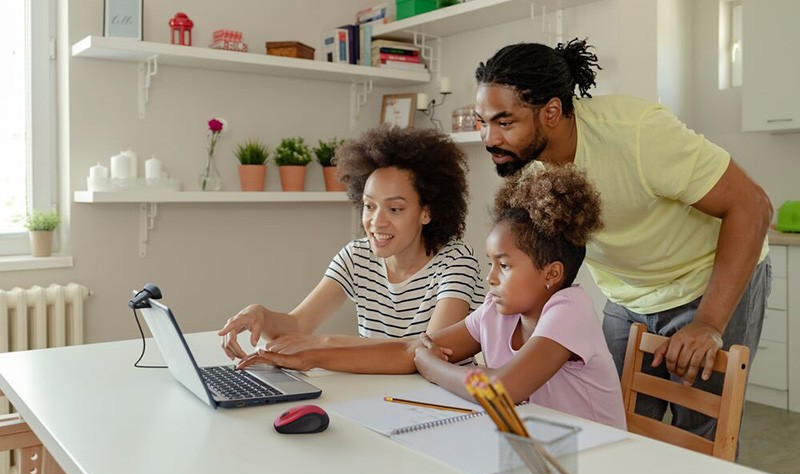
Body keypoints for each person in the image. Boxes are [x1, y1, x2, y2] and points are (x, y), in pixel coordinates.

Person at [473, 39, 772, 439]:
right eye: (483, 122)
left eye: (504, 122)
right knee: (611, 429)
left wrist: (708, 324)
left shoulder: (635, 133)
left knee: (700, 437)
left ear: (551, 112)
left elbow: (752, 207)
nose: (489, 138)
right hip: (627, 296)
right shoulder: (525, 166)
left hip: (706, 280)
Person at [239, 163, 627, 430]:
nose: (490, 278)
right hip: (538, 449)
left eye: (504, 266)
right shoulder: (496, 311)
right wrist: (309, 356)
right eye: (492, 263)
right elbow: (409, 349)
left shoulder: (569, 310)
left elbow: (502, 391)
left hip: (598, 462)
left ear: (552, 274)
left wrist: (430, 364)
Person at [218, 126, 485, 365]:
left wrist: (322, 346)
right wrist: (262, 316)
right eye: (369, 206)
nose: (376, 222)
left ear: (427, 212)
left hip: (440, 406)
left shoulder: (456, 263)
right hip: (373, 397)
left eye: (394, 209)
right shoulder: (357, 256)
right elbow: (298, 325)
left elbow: (427, 353)